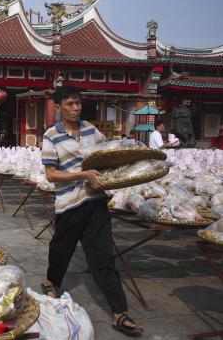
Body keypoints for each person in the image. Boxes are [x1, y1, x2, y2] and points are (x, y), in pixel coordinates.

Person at [41, 86, 143, 337]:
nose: (75, 108)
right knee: (61, 248)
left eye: (78, 103)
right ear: (59, 107)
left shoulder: (90, 130)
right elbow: (51, 174)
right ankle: (51, 282)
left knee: (103, 256)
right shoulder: (51, 135)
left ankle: (119, 311)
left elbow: (104, 156)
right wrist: (82, 174)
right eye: (69, 104)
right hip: (69, 203)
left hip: (96, 201)